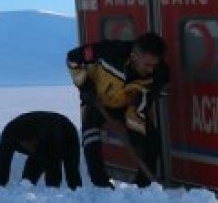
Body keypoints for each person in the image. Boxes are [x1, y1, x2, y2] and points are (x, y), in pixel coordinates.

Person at [66, 32, 169, 188]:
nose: (151, 70)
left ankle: (144, 187)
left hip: (126, 106)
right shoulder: (110, 51)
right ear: (134, 57)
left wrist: (137, 139)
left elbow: (139, 109)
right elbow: (72, 59)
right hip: (96, 100)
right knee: (91, 138)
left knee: (151, 140)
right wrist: (85, 86)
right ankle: (101, 185)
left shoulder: (159, 75)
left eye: (154, 65)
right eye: (147, 65)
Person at [0, 111, 83, 189]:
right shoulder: (9, 137)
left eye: (34, 144)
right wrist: (0, 187)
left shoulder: (49, 137)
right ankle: (25, 194)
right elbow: (2, 163)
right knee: (27, 181)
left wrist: (52, 190)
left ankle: (80, 197)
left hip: (67, 131)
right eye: (32, 146)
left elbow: (54, 167)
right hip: (46, 129)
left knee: (72, 171)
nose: (32, 149)